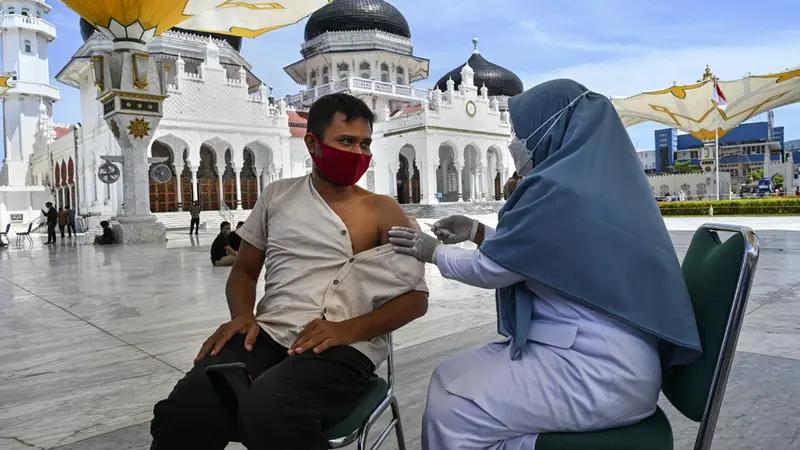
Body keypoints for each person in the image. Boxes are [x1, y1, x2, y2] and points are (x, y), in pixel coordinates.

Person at [388, 79, 702, 449]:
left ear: (551, 127)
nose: (516, 143)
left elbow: (494, 269)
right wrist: (476, 231)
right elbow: (542, 255)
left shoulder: (558, 190)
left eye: (520, 132)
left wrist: (433, 252)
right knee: (448, 376)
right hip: (605, 356)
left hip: (598, 371)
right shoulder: (596, 188)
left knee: (454, 409)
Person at [150, 93, 429, 450]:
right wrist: (242, 316)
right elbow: (246, 270)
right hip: (268, 333)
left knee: (269, 407)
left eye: (365, 143)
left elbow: (415, 300)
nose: (358, 154)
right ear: (312, 142)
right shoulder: (277, 196)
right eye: (346, 141)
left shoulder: (381, 209)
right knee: (191, 402)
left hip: (343, 346)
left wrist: (345, 330)